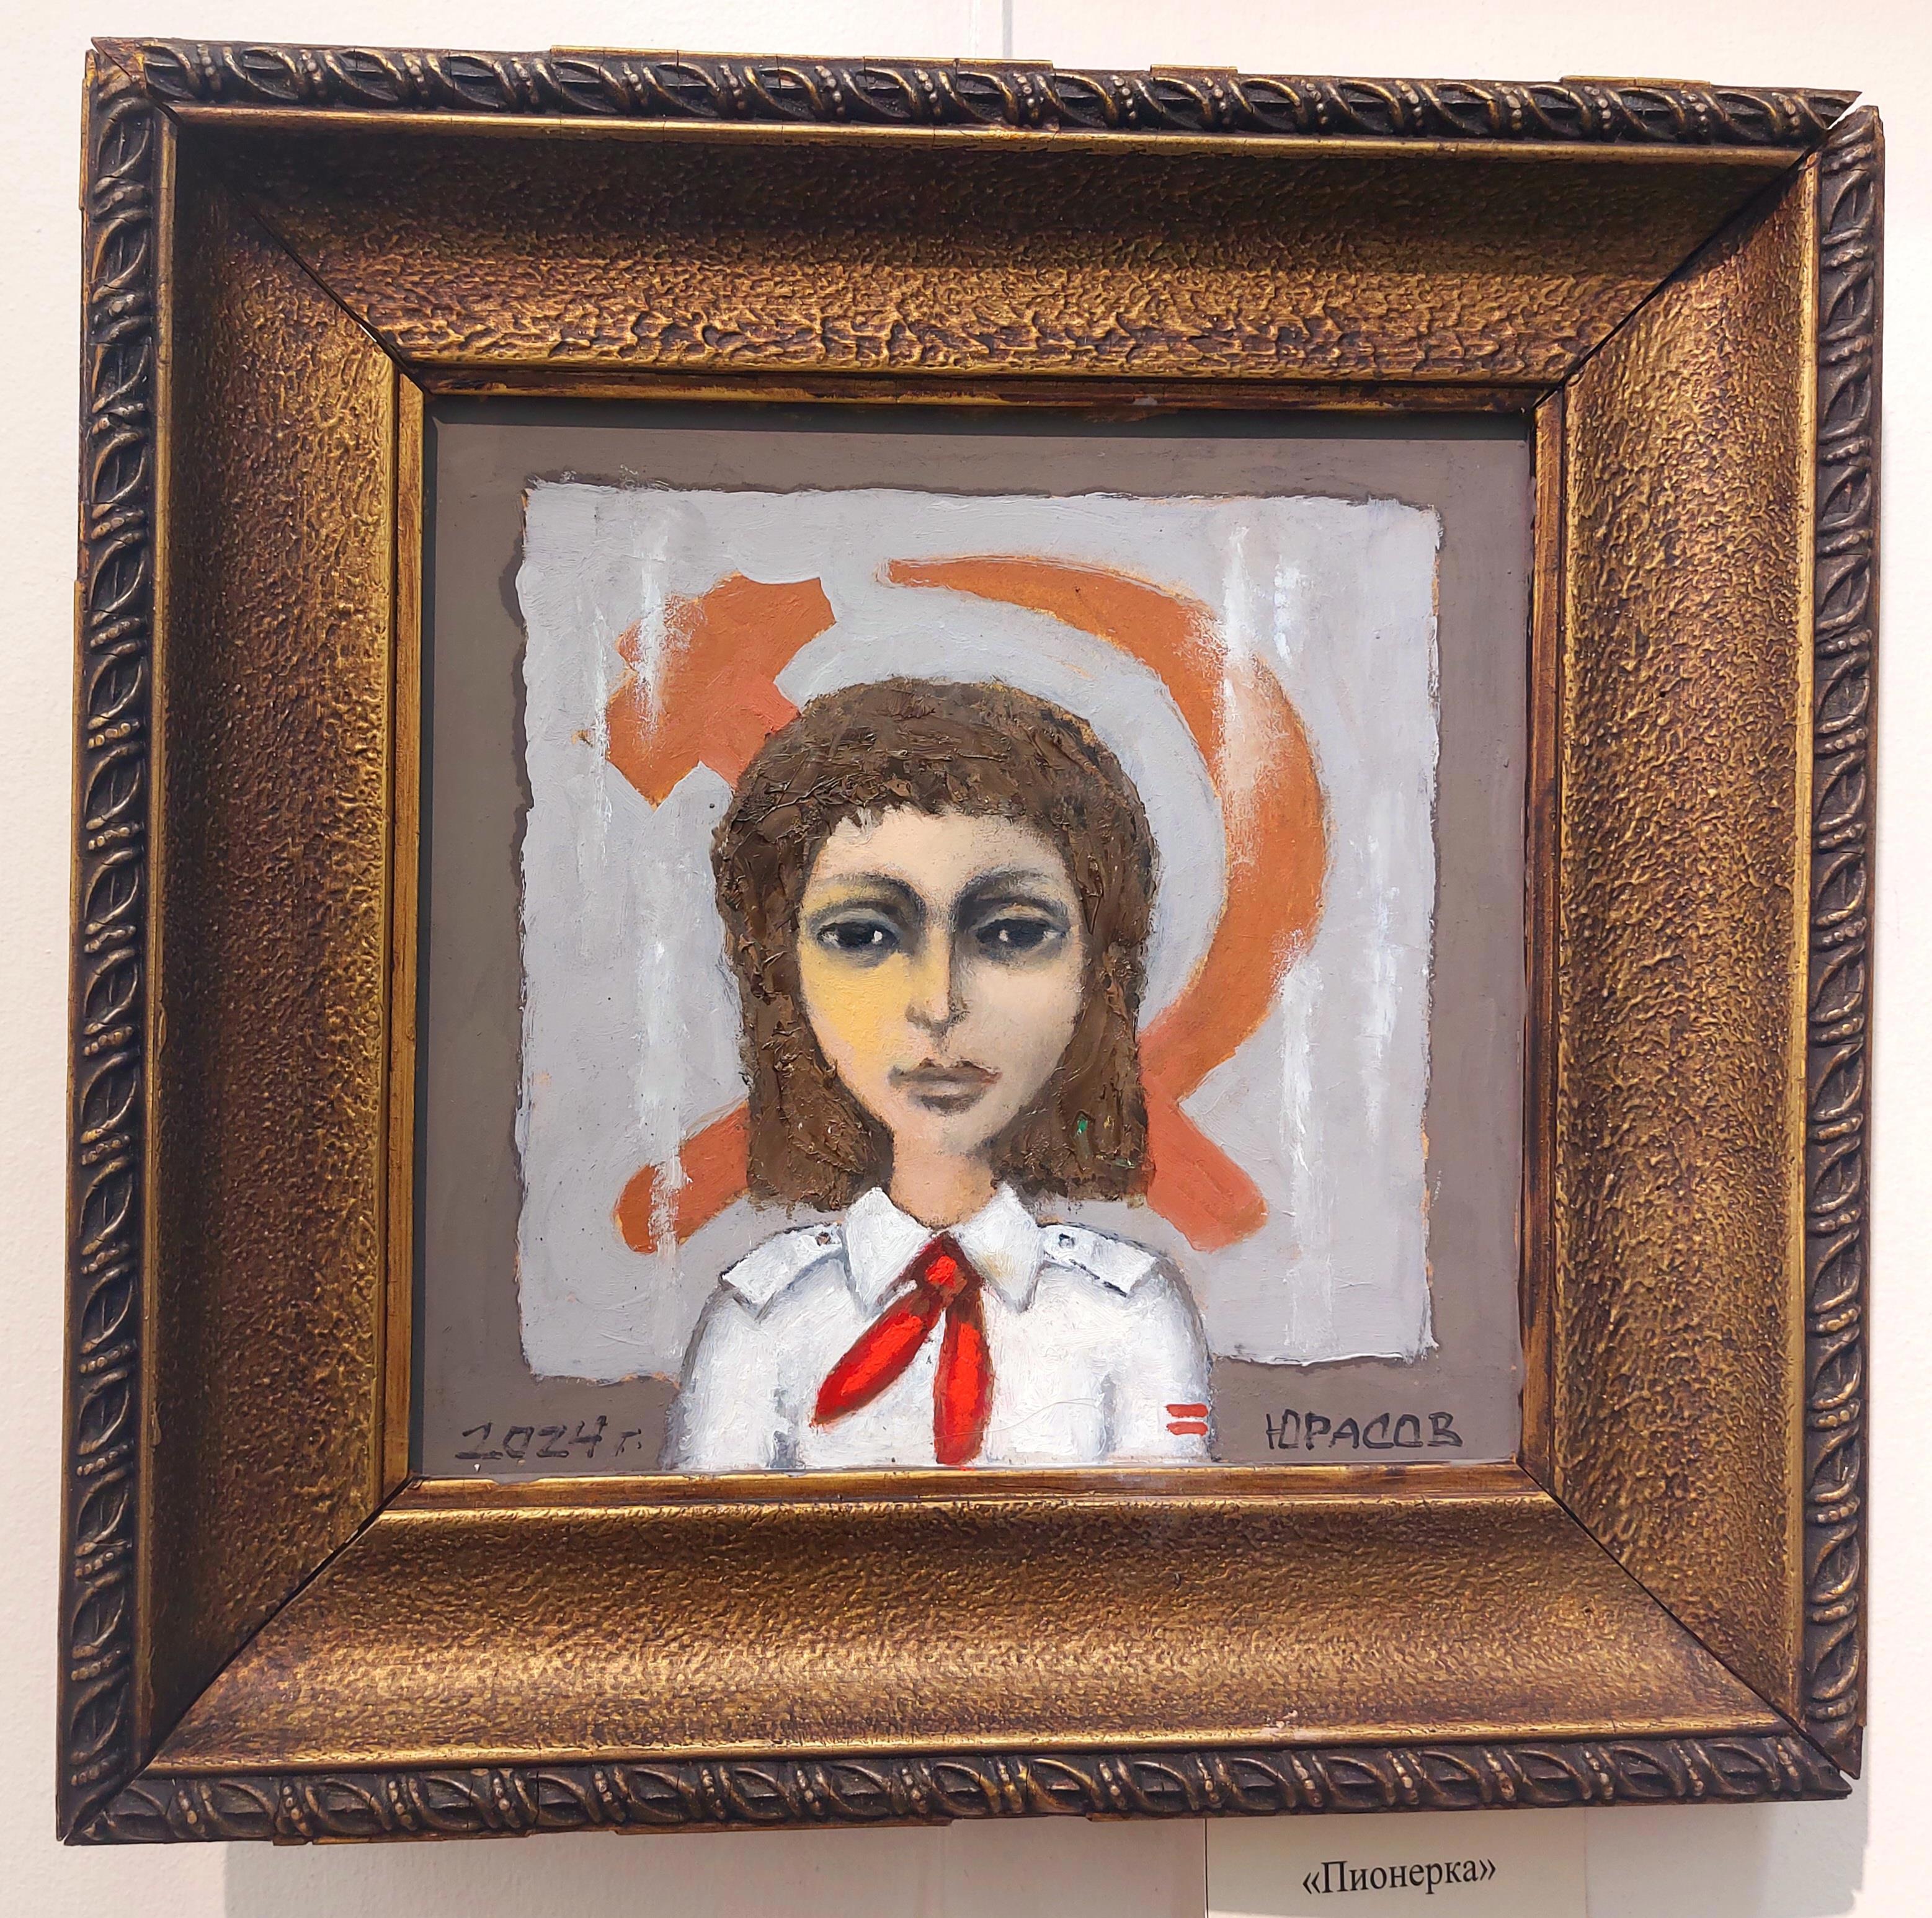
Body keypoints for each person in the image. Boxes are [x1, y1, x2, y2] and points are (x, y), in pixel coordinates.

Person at [664, 677, 1210, 1470]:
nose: (938, 1004)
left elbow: (1168, 1541)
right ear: (783, 977)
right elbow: (711, 1544)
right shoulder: (761, 1315)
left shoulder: (1130, 1308)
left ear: (1098, 973)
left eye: (1012, 934)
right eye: (862, 937)